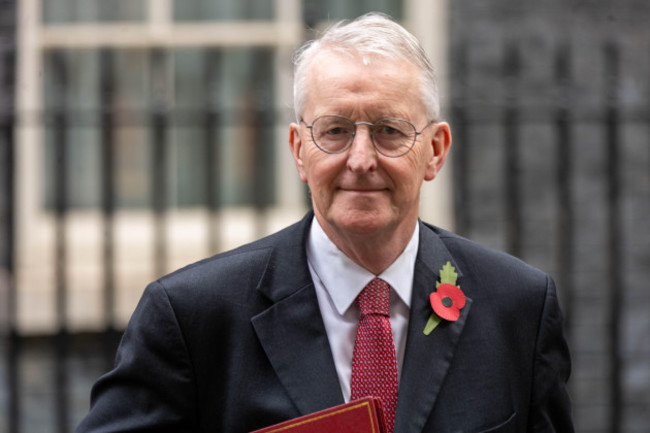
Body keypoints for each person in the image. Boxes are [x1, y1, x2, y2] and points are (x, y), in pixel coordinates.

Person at [76, 13, 574, 433]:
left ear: (435, 150)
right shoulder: (193, 317)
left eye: (389, 131)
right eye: (334, 131)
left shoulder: (518, 309)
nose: (360, 159)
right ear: (298, 150)